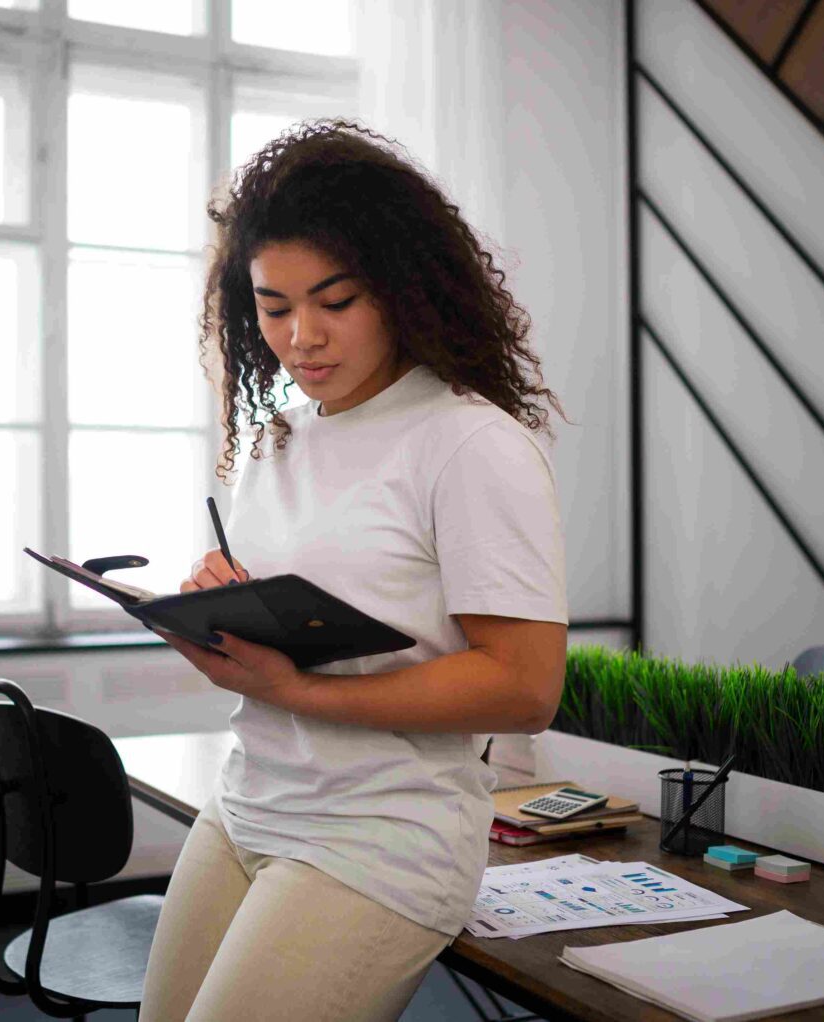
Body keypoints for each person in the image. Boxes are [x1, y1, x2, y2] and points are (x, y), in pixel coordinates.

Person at [138, 119, 571, 1022]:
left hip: (381, 832)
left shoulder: (469, 443)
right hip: (251, 799)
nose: (303, 337)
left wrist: (300, 692)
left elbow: (525, 689)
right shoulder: (278, 438)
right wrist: (226, 609)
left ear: (402, 288)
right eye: (274, 305)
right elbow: (317, 611)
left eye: (336, 300)